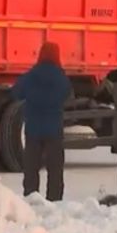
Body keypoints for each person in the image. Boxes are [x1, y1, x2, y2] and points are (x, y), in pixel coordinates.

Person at [12, 41, 72, 201]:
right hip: (54, 130)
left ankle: (32, 198)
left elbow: (17, 92)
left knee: (31, 169)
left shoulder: (30, 76)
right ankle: (54, 200)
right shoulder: (61, 78)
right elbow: (68, 96)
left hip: (33, 129)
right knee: (55, 170)